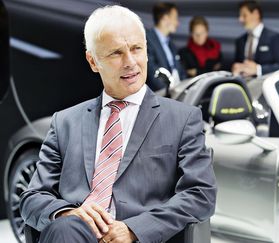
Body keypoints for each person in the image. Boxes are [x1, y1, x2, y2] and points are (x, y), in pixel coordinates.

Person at [19, 5, 217, 243]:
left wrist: (134, 229)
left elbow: (199, 194)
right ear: (93, 61)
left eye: (136, 49)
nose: (130, 62)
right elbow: (32, 198)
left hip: (139, 238)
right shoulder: (65, 123)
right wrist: (67, 213)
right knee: (66, 229)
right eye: (116, 53)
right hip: (74, 237)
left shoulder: (183, 119)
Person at [232, 0, 279, 78]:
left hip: (265, 85)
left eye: (244, 15)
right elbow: (238, 63)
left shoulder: (274, 37)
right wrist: (237, 68)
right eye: (240, 16)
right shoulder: (240, 41)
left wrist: (258, 69)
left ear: (256, 14)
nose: (240, 19)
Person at [146, 2, 186, 90]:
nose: (177, 23)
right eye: (175, 18)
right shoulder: (147, 39)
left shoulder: (171, 44)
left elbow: (181, 71)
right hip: (162, 96)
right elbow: (152, 73)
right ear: (165, 18)